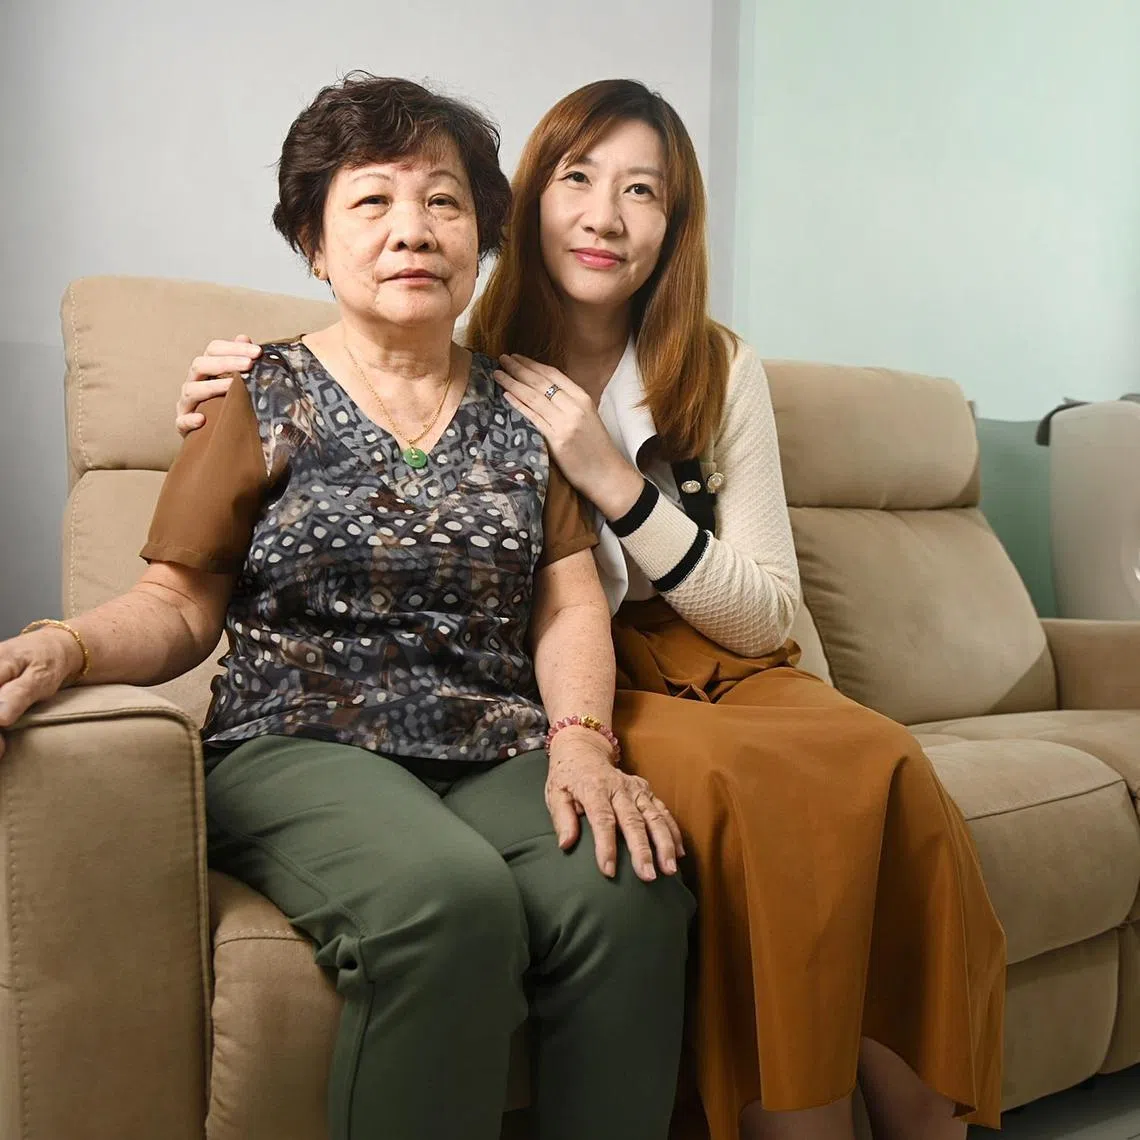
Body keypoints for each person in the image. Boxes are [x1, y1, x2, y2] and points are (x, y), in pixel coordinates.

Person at [175, 78, 1006, 1140]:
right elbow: (367, 356)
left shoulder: (714, 363)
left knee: (882, 763)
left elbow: (767, 617)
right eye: (577, 178)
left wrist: (615, 478)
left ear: (674, 223)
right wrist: (237, 382)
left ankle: (932, 1123)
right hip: (577, 671)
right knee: (744, 797)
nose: (607, 215)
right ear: (521, 205)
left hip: (718, 656)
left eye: (643, 191)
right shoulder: (469, 338)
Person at [0, 74, 697, 1140]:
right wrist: (68, 647)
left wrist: (584, 745)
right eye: (373, 201)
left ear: (482, 241)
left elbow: (566, 610)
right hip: (296, 744)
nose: (413, 230)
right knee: (446, 903)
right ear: (315, 244)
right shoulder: (257, 393)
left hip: (491, 745)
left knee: (631, 893)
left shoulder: (529, 411)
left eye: (446, 202)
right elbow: (178, 604)